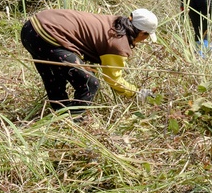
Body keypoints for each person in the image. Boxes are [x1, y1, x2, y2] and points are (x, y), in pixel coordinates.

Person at [20, 8, 158, 114]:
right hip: (46, 36)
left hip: (31, 27)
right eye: (146, 36)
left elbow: (87, 40)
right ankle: (73, 123)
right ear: (142, 33)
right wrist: (136, 93)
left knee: (54, 77)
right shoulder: (118, 45)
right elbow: (113, 79)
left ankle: (59, 114)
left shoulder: (114, 22)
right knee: (89, 83)